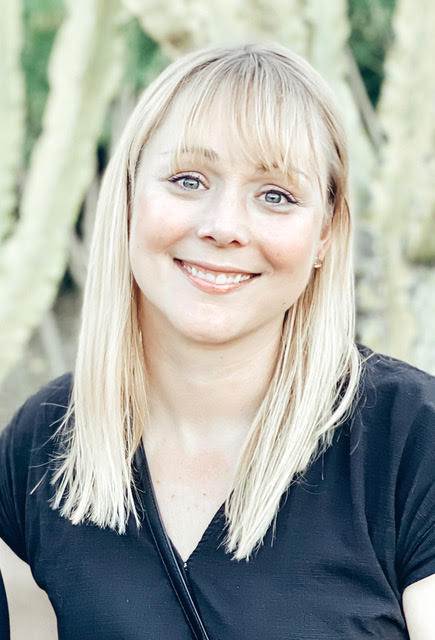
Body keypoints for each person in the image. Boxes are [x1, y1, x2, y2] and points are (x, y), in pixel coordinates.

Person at [0, 42, 434, 640]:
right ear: (127, 199)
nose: (224, 226)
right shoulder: (44, 441)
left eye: (276, 195)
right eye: (188, 180)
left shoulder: (412, 439)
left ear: (326, 234)